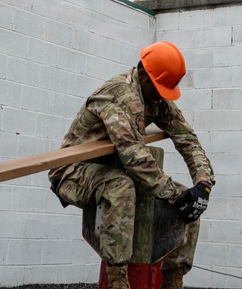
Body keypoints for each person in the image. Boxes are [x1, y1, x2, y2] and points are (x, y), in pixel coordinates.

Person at [49, 41, 215, 289]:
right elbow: (134, 156)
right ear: (144, 75)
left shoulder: (155, 97)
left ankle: (173, 279)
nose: (162, 95)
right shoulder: (118, 96)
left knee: (190, 202)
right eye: (159, 88)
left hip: (113, 169)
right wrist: (174, 194)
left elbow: (187, 139)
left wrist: (202, 185)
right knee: (121, 186)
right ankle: (117, 279)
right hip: (75, 172)